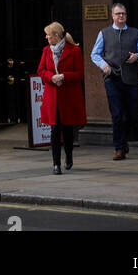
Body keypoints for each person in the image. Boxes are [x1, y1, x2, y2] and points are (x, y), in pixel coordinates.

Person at [91, 2, 138, 160]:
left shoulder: (135, 33)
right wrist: (104, 65)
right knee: (117, 115)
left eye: (123, 13)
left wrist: (137, 57)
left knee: (131, 114)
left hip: (130, 78)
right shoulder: (104, 33)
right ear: (112, 15)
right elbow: (94, 54)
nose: (121, 16)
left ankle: (124, 141)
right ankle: (119, 147)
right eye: (118, 14)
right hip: (112, 79)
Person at [36, 22, 86, 174]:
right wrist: (51, 77)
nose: (46, 37)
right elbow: (41, 70)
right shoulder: (46, 51)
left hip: (68, 97)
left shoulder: (75, 50)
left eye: (48, 35)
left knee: (68, 130)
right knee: (55, 130)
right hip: (52, 97)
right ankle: (56, 164)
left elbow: (79, 74)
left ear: (56, 36)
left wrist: (63, 76)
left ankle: (69, 156)